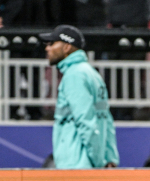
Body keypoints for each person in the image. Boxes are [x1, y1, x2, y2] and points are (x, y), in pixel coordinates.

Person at [40, 25, 119, 169]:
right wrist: (109, 158)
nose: (47, 48)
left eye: (52, 44)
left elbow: (86, 122)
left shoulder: (74, 75)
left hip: (76, 166)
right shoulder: (92, 74)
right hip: (91, 165)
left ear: (66, 47)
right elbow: (106, 120)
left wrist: (97, 161)